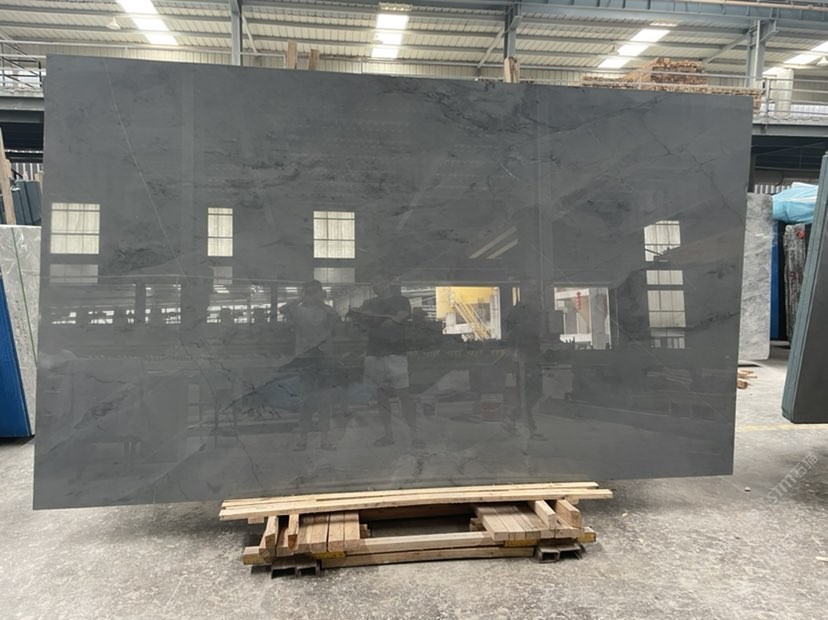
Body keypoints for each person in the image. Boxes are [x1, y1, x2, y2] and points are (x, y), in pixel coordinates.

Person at [351, 274, 423, 448]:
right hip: (374, 353)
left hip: (395, 353)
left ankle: (414, 435)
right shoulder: (369, 303)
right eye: (373, 282)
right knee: (381, 396)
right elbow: (362, 326)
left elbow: (397, 320)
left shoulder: (401, 301)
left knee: (404, 395)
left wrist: (374, 322)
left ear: (388, 283)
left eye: (379, 281)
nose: (376, 285)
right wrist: (385, 320)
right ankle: (388, 435)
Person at [279, 280, 340, 451]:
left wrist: (320, 302)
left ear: (321, 292)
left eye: (315, 291)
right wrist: (301, 299)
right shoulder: (298, 310)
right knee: (305, 399)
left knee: (324, 399)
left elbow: (336, 321)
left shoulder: (327, 311)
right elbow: (282, 309)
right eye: (309, 291)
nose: (312, 294)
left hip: (324, 358)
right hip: (305, 358)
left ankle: (325, 439)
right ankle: (303, 439)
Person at [503, 282, 545, 439]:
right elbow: (511, 335)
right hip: (524, 358)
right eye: (531, 290)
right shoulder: (518, 313)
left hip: (533, 356)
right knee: (526, 393)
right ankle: (529, 427)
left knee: (534, 392)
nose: (535, 293)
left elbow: (536, 334)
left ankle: (511, 419)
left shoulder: (532, 311)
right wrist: (515, 354)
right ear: (524, 292)